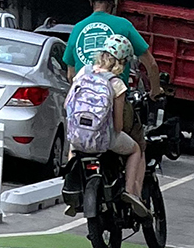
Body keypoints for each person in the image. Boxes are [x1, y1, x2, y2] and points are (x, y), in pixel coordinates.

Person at [64, 35, 150, 218]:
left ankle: (73, 188)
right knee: (135, 150)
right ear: (123, 62)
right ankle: (129, 191)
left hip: (79, 135)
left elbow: (67, 105)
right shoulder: (116, 84)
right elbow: (118, 125)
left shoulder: (83, 73)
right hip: (104, 139)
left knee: (74, 147)